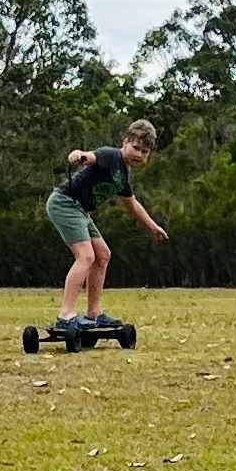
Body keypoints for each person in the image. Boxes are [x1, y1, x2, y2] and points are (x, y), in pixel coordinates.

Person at [45, 118, 165, 325]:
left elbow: (132, 204)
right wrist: (79, 155)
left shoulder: (123, 175)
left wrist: (153, 227)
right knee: (86, 256)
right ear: (125, 142)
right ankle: (66, 315)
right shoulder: (111, 156)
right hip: (65, 203)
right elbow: (91, 156)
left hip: (81, 210)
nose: (139, 154)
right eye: (136, 148)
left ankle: (94, 313)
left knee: (102, 255)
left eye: (145, 152)